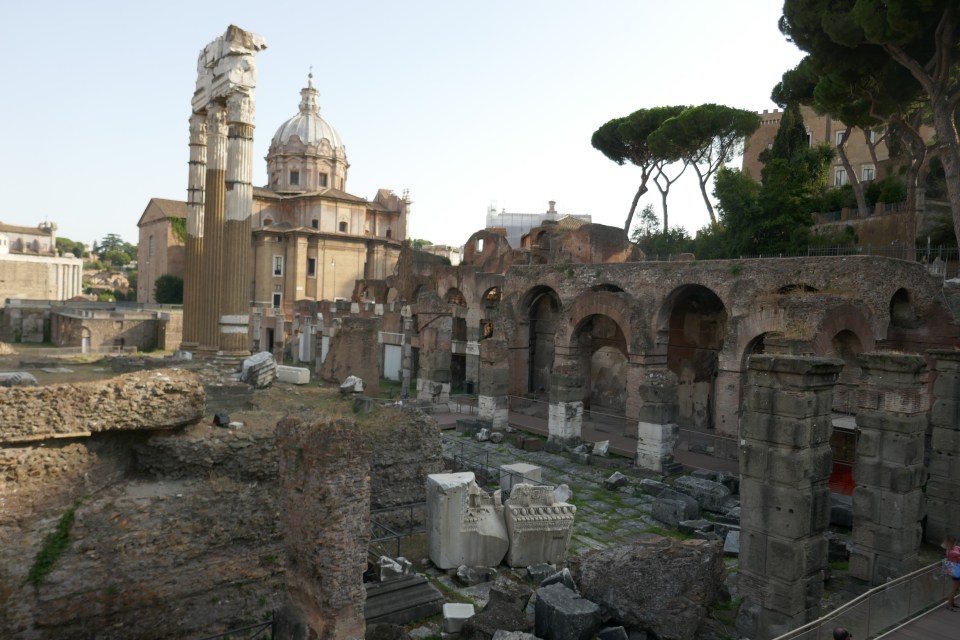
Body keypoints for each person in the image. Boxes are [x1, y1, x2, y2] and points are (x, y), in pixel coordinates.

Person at [944, 537, 960, 611]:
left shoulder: (955, 548)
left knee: (956, 588)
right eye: (953, 542)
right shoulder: (951, 552)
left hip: (957, 569)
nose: (955, 544)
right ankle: (949, 604)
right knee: (954, 588)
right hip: (956, 570)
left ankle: (952, 602)